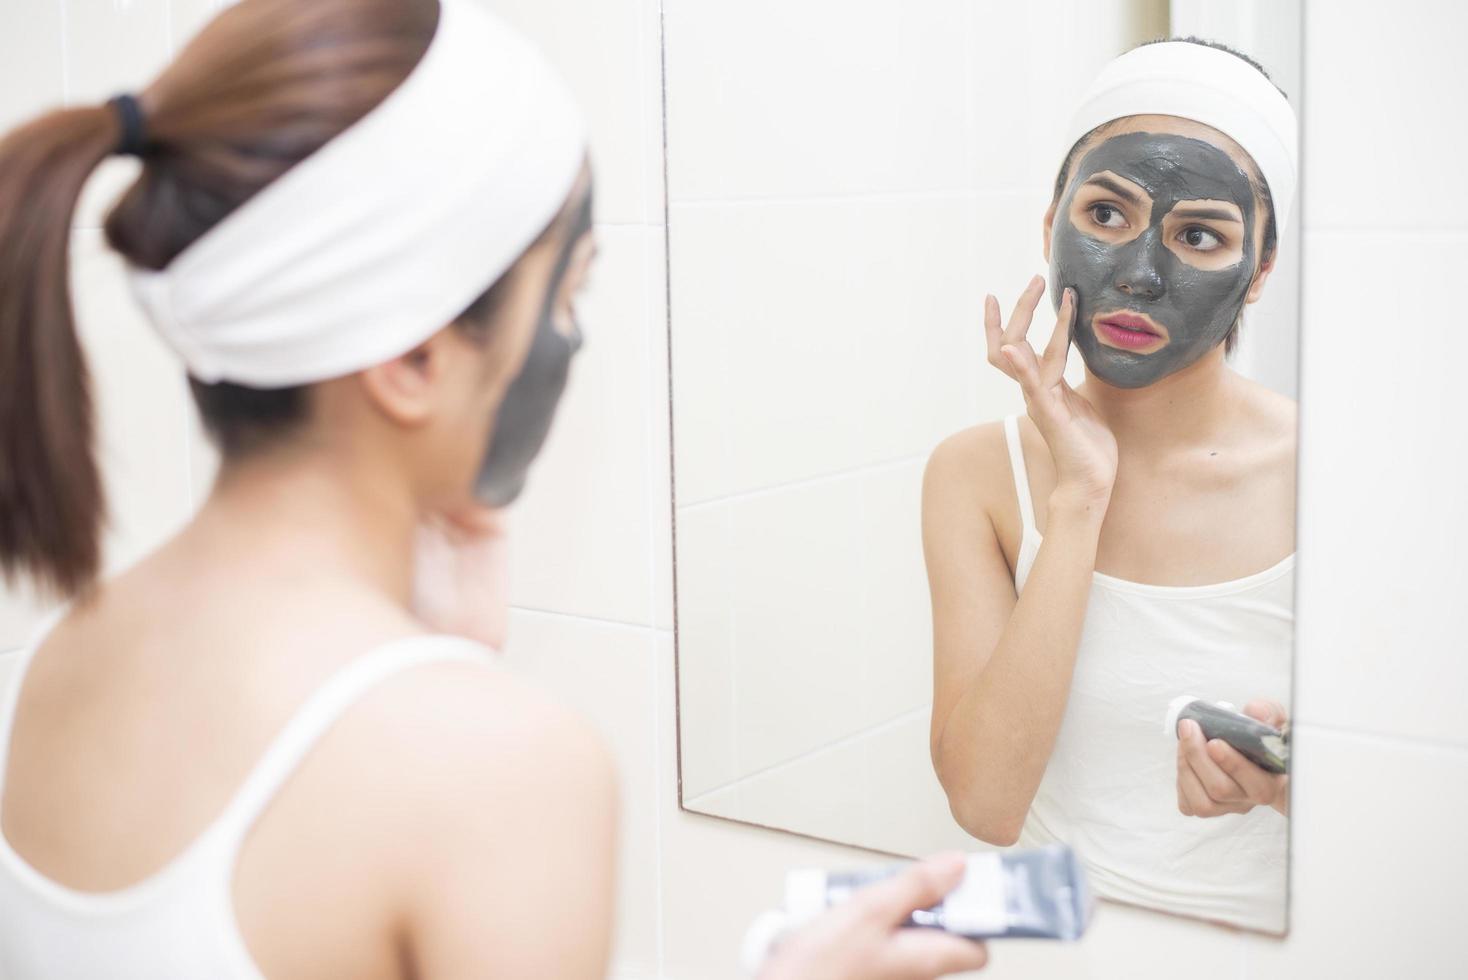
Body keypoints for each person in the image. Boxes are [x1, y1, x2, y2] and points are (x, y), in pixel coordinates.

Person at [0, 0, 990, 976]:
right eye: (568, 291)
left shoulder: (50, 662)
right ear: (416, 359)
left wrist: (436, 655)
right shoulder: (495, 768)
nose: (576, 340)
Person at [924, 38, 1297, 932]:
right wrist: (1078, 501)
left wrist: (1287, 790)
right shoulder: (977, 475)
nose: (1139, 274)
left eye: (1199, 234)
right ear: (1050, 221)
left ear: (1260, 272)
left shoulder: (1333, 477)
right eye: (1105, 213)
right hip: (1054, 945)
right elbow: (985, 803)